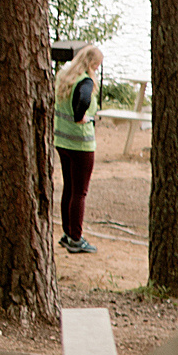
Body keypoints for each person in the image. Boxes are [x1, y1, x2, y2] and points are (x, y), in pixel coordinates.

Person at [53, 43, 104, 255]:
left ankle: (67, 233)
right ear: (91, 63)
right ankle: (76, 237)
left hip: (62, 141)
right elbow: (83, 99)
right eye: (97, 66)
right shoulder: (85, 81)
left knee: (68, 188)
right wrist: (80, 116)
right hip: (81, 143)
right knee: (80, 192)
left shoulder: (65, 76)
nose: (98, 70)